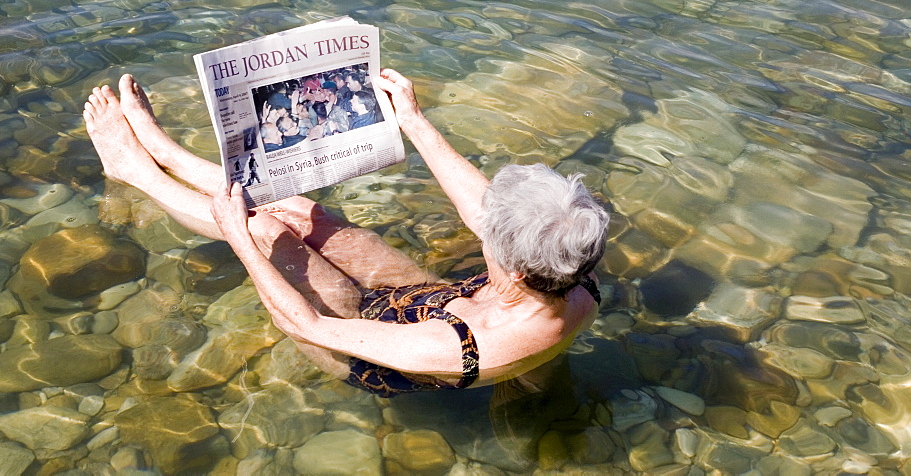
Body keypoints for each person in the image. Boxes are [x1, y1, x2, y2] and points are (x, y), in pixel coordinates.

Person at [83, 70, 608, 396]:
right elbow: (484, 211)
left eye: (492, 230)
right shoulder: (571, 266)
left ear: (513, 265)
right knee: (302, 211)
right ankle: (167, 151)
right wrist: (414, 120)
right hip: (445, 303)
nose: (482, 218)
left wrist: (238, 241)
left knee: (264, 229)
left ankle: (134, 170)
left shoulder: (466, 348)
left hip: (376, 351)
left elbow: (309, 325)